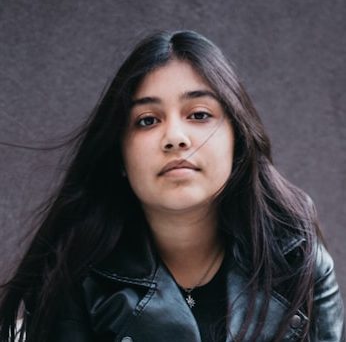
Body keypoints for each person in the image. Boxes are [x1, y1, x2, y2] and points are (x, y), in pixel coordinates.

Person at [0, 30, 344, 342]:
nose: (175, 138)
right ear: (119, 155)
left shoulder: (295, 257)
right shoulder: (73, 275)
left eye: (198, 114)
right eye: (147, 120)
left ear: (237, 140)